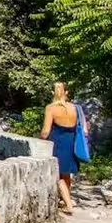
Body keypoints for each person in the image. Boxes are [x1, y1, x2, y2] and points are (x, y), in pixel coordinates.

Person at [40, 82, 81, 215]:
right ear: (67, 92)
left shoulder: (51, 108)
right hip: (72, 142)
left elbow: (45, 132)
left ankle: (69, 205)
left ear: (53, 92)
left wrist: (40, 140)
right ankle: (66, 199)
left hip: (59, 142)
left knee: (59, 175)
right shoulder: (75, 108)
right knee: (66, 173)